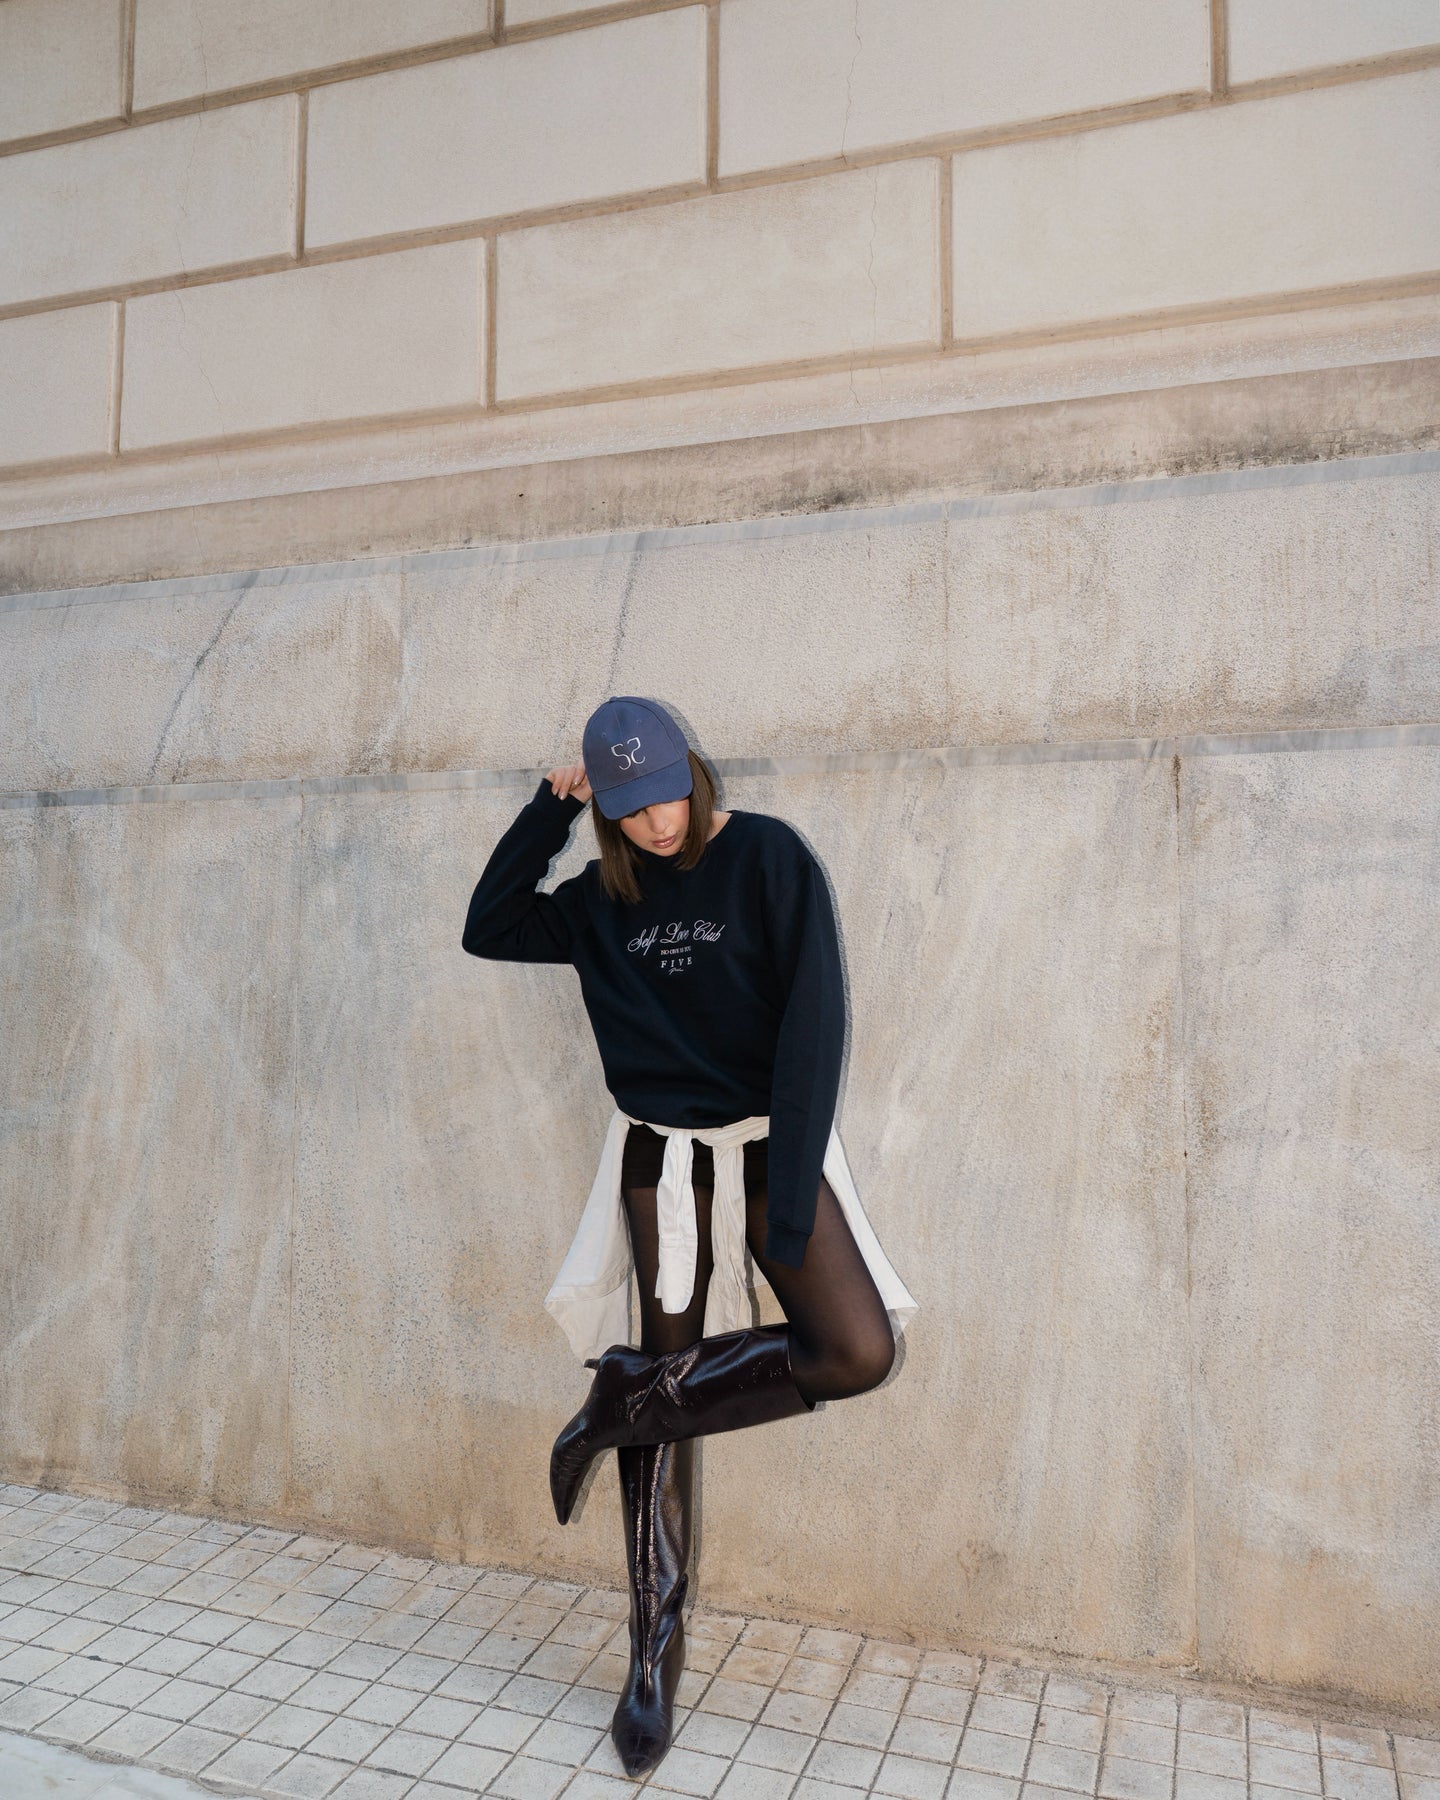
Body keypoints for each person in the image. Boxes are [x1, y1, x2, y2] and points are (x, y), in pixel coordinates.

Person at [461, 695, 915, 1776]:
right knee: (667, 1405)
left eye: (664, 796)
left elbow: (816, 1023)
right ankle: (649, 1659)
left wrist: (791, 1198)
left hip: (765, 1143)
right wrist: (548, 812)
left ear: (693, 772)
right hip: (659, 1157)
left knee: (856, 1349)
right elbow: (489, 926)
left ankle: (616, 1397)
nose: (655, 823)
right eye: (628, 808)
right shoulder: (600, 898)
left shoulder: (767, 857)